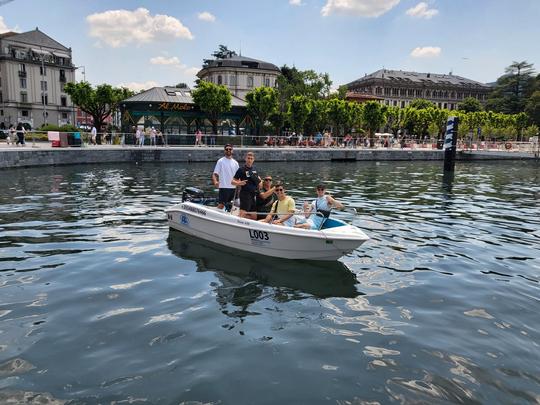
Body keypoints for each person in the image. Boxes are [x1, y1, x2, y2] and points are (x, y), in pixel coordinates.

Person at [231, 151, 261, 219]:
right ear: (245, 159)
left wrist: (260, 183)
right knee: (243, 214)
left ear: (253, 160)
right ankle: (237, 222)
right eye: (248, 158)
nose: (249, 160)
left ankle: (237, 218)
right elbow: (232, 181)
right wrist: (239, 183)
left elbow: (259, 180)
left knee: (254, 217)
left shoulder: (255, 169)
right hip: (245, 195)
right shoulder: (241, 169)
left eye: (251, 158)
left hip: (253, 195)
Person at [212, 144, 239, 210]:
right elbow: (214, 174)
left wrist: (239, 187)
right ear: (224, 151)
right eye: (226, 149)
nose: (228, 150)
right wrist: (215, 182)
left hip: (234, 188)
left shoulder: (235, 163)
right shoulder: (220, 161)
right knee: (221, 205)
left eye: (230, 149)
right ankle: (215, 217)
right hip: (224, 187)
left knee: (234, 206)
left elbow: (239, 177)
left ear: (232, 151)